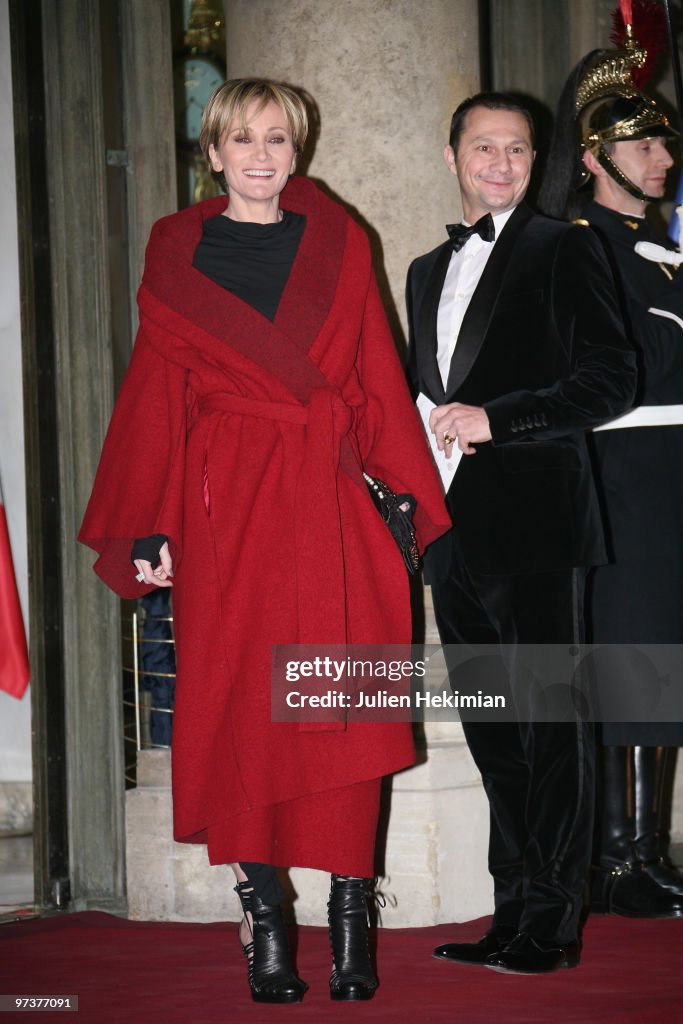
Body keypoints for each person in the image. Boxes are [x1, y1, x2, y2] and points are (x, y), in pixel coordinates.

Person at [79, 78, 450, 1004]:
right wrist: (146, 523)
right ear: (211, 152)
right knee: (244, 710)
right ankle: (266, 920)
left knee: (346, 707)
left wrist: (402, 498)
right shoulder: (177, 248)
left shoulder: (339, 242)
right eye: (240, 137)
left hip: (331, 507)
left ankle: (352, 918)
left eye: (276, 138)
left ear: (298, 151)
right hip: (227, 514)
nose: (259, 153)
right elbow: (153, 397)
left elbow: (373, 370)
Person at [406, 92, 636, 974]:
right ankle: (510, 914)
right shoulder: (427, 267)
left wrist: (500, 420)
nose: (499, 163)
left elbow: (610, 378)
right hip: (452, 531)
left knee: (551, 724)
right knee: (494, 727)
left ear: (534, 161)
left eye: (516, 150)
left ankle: (552, 925)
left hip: (540, 518)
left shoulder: (564, 246)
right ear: (451, 154)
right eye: (482, 147)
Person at [537, 18, 683, 919]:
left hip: (665, 464)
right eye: (644, 141)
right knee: (632, 655)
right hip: (622, 465)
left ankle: (640, 849)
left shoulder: (661, 249)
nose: (664, 154)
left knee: (663, 654)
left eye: (664, 137)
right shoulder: (580, 246)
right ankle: (619, 858)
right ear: (594, 157)